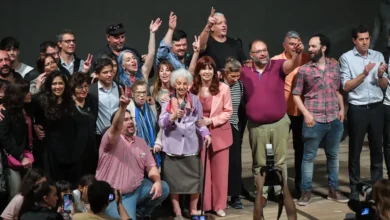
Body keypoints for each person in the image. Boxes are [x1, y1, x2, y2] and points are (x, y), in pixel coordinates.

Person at [240, 39, 303, 205]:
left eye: (265, 50)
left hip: (279, 122)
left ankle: (280, 191)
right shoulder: (244, 70)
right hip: (257, 125)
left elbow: (292, 65)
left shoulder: (277, 65)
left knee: (280, 161)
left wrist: (297, 54)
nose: (263, 53)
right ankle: (262, 193)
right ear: (251, 55)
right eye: (258, 51)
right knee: (259, 163)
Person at [95, 88, 169, 220]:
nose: (130, 121)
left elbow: (151, 166)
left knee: (163, 187)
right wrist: (122, 107)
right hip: (115, 196)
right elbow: (116, 128)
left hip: (137, 190)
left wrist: (157, 181)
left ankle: (141, 213)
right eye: (125, 119)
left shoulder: (141, 142)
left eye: (131, 119)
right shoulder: (110, 140)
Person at [293, 34, 348, 206]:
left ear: (323, 48)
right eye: (309, 46)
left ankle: (333, 190)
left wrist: (342, 109)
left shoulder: (334, 66)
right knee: (308, 157)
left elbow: (338, 90)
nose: (309, 49)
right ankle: (306, 192)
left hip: (333, 118)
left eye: (313, 46)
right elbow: (295, 94)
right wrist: (306, 114)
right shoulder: (304, 70)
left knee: (333, 155)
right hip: (313, 119)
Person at [339, 25, 388, 200]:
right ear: (354, 40)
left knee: (377, 150)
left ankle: (377, 189)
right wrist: (364, 73)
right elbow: (346, 86)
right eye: (361, 39)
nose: (365, 42)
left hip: (376, 107)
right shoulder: (346, 58)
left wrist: (381, 75)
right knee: (355, 150)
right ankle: (354, 188)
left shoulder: (378, 56)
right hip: (358, 109)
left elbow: (383, 86)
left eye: (367, 38)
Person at [158, 68, 212, 219]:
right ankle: (178, 212)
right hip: (172, 148)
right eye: (179, 83)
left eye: (185, 83)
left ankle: (193, 210)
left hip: (191, 146)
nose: (182, 87)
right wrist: (173, 116)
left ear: (189, 85)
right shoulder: (167, 100)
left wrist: (206, 134)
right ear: (174, 84)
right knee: (173, 183)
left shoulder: (194, 100)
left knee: (195, 180)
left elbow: (199, 122)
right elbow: (161, 123)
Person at [191, 56, 233, 217]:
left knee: (220, 173)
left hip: (219, 134)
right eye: (203, 68)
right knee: (203, 172)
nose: (207, 72)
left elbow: (228, 111)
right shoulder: (192, 88)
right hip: (198, 135)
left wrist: (211, 120)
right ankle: (205, 204)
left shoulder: (223, 88)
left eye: (210, 68)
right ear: (198, 71)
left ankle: (219, 205)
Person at [271, 31, 310, 194]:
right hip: (281, 112)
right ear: (284, 45)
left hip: (301, 111)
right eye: (292, 44)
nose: (295, 46)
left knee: (301, 149)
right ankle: (276, 187)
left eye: (298, 42)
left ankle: (301, 186)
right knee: (277, 151)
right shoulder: (275, 61)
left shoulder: (307, 58)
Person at [33, 71, 81, 186]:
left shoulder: (69, 101)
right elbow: (25, 111)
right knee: (52, 184)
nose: (58, 87)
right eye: (54, 84)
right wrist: (34, 125)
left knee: (69, 184)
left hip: (69, 150)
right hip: (50, 151)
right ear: (49, 85)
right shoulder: (40, 100)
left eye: (61, 83)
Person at [0, 78, 33, 200]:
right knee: (15, 196)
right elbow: (5, 137)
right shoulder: (6, 111)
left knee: (27, 194)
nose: (30, 93)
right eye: (26, 91)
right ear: (19, 94)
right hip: (11, 160)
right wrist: (20, 156)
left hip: (26, 157)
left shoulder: (26, 108)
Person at [222, 58, 244, 209]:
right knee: (221, 163)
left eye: (238, 76)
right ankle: (221, 195)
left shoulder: (240, 86)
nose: (235, 79)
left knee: (235, 162)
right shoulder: (218, 86)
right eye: (233, 76)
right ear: (225, 73)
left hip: (234, 126)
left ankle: (235, 195)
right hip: (219, 128)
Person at [117, 18, 161, 88]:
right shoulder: (119, 81)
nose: (133, 61)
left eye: (134, 58)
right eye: (128, 60)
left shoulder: (143, 73)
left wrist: (152, 33)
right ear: (123, 66)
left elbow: (151, 53)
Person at [88, 58, 121, 149]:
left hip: (119, 135)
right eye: (105, 72)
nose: (109, 75)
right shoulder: (91, 91)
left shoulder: (120, 88)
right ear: (97, 74)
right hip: (99, 136)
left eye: (111, 71)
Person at [69, 72, 98, 175]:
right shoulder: (68, 104)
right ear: (73, 87)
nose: (84, 89)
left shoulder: (92, 100)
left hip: (90, 150)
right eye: (80, 87)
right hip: (74, 152)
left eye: (86, 86)